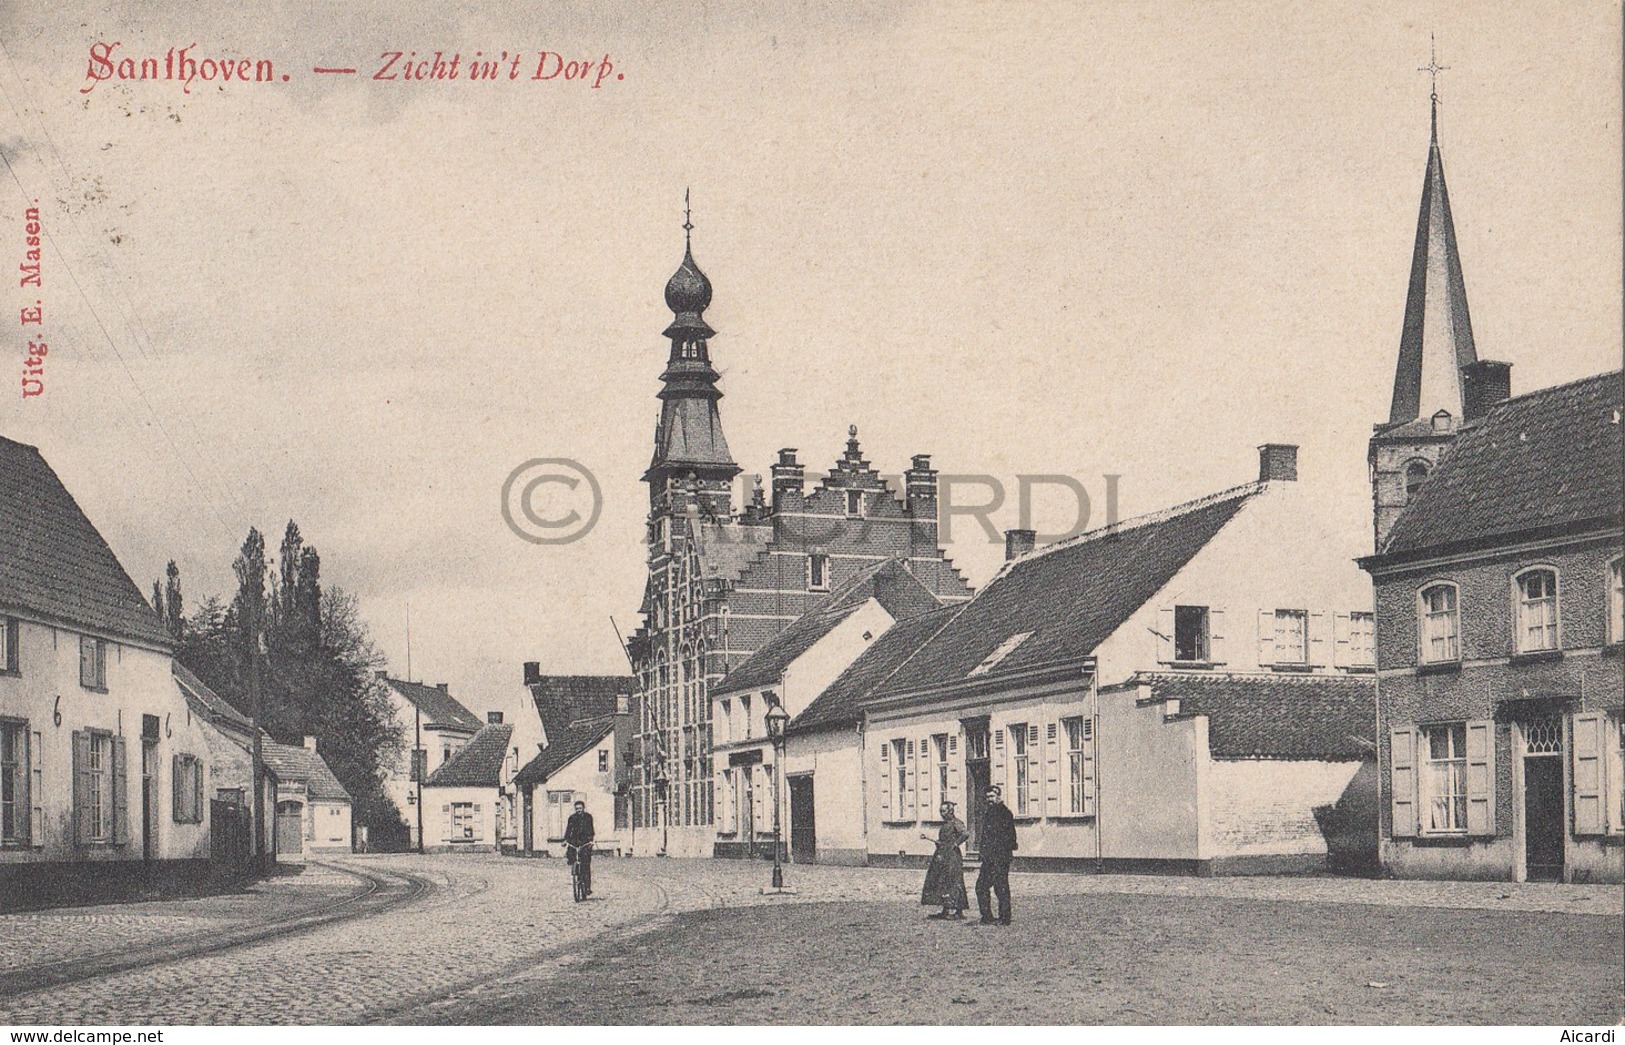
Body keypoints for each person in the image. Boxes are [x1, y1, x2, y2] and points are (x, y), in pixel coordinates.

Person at [919, 800, 969, 920]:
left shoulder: (956, 823)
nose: (941, 813)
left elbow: (965, 834)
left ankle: (959, 911)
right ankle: (945, 909)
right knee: (942, 881)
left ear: (951, 811)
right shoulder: (945, 825)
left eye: (944, 811)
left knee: (954, 881)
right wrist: (939, 843)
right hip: (942, 855)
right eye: (940, 811)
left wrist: (955, 844)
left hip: (952, 856)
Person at [974, 784, 1016, 925]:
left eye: (991, 796)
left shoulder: (1005, 813)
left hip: (1000, 858)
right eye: (987, 797)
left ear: (998, 796)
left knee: (1001, 887)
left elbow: (1010, 837)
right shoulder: (989, 812)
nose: (989, 799)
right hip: (989, 858)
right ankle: (987, 916)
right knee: (981, 886)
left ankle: (1005, 918)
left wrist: (1002, 855)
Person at [564, 799, 595, 897]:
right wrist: (566, 840)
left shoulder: (588, 817)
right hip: (574, 841)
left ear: (583, 808)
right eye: (577, 809)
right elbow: (568, 830)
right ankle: (574, 867)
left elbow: (591, 830)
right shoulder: (572, 818)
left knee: (586, 865)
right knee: (571, 853)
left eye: (580, 808)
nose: (578, 810)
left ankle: (587, 887)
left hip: (585, 842)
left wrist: (590, 841)